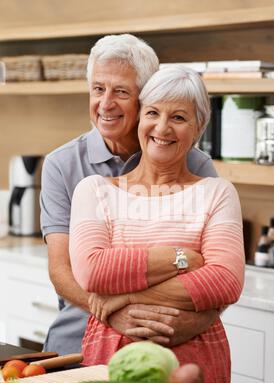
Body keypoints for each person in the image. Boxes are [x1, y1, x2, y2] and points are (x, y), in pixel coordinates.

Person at [69, 65, 245, 383]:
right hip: (112, 357)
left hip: (196, 365)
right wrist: (180, 259)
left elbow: (226, 280)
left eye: (178, 117)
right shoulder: (94, 190)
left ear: (199, 127)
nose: (162, 127)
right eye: (153, 112)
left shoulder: (217, 193)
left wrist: (124, 297)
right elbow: (92, 272)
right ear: (140, 119)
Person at [40, 34, 218, 356]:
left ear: (145, 97)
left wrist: (190, 325)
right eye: (98, 89)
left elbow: (218, 274)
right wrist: (114, 312)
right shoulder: (62, 165)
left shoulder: (194, 164)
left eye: (121, 91)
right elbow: (61, 271)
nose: (105, 104)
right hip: (77, 341)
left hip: (167, 343)